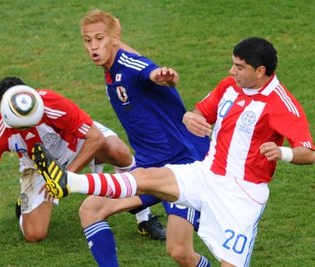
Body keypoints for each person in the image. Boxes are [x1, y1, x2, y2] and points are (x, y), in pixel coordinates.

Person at [32, 37, 315, 267]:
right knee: (145, 177)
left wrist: (283, 152)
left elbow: (308, 151)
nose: (232, 72)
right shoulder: (230, 86)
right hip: (205, 174)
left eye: (239, 67)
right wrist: (190, 117)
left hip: (241, 195)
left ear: (260, 71)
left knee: (189, 254)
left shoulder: (281, 104)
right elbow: (201, 113)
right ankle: (70, 182)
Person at [0, 76, 135, 256]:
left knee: (119, 152)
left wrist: (65, 177)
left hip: (75, 144)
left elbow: (95, 138)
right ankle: (24, 206)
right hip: (37, 166)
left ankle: (144, 218)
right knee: (35, 234)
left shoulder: (50, 102)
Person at [73, 9, 210, 266]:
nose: (93, 46)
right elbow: (122, 47)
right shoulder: (111, 67)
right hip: (147, 170)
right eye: (87, 40)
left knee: (180, 252)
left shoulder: (133, 66)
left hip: (184, 168)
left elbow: (151, 72)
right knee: (91, 209)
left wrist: (163, 76)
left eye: (99, 38)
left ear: (115, 38)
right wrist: (110, 33)